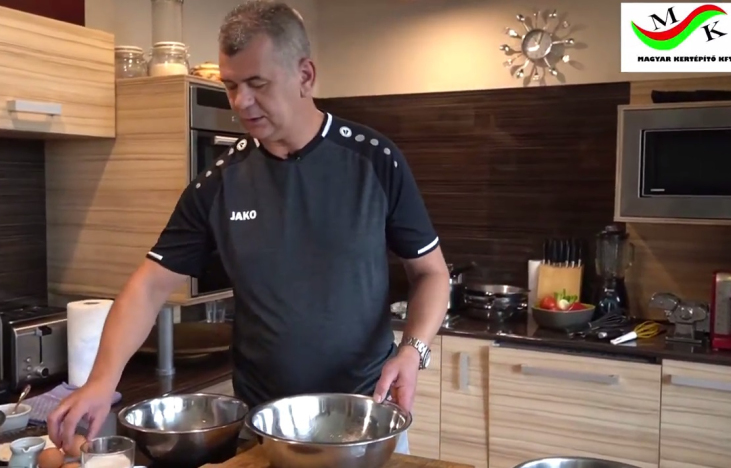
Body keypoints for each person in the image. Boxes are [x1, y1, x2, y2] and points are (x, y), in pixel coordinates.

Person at [48, 0, 449, 456]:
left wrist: (412, 350)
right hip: (264, 424)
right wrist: (102, 380)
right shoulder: (219, 182)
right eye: (231, 85)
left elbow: (431, 274)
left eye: (258, 84)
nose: (241, 102)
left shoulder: (374, 159)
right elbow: (148, 287)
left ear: (305, 75)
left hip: (365, 416)